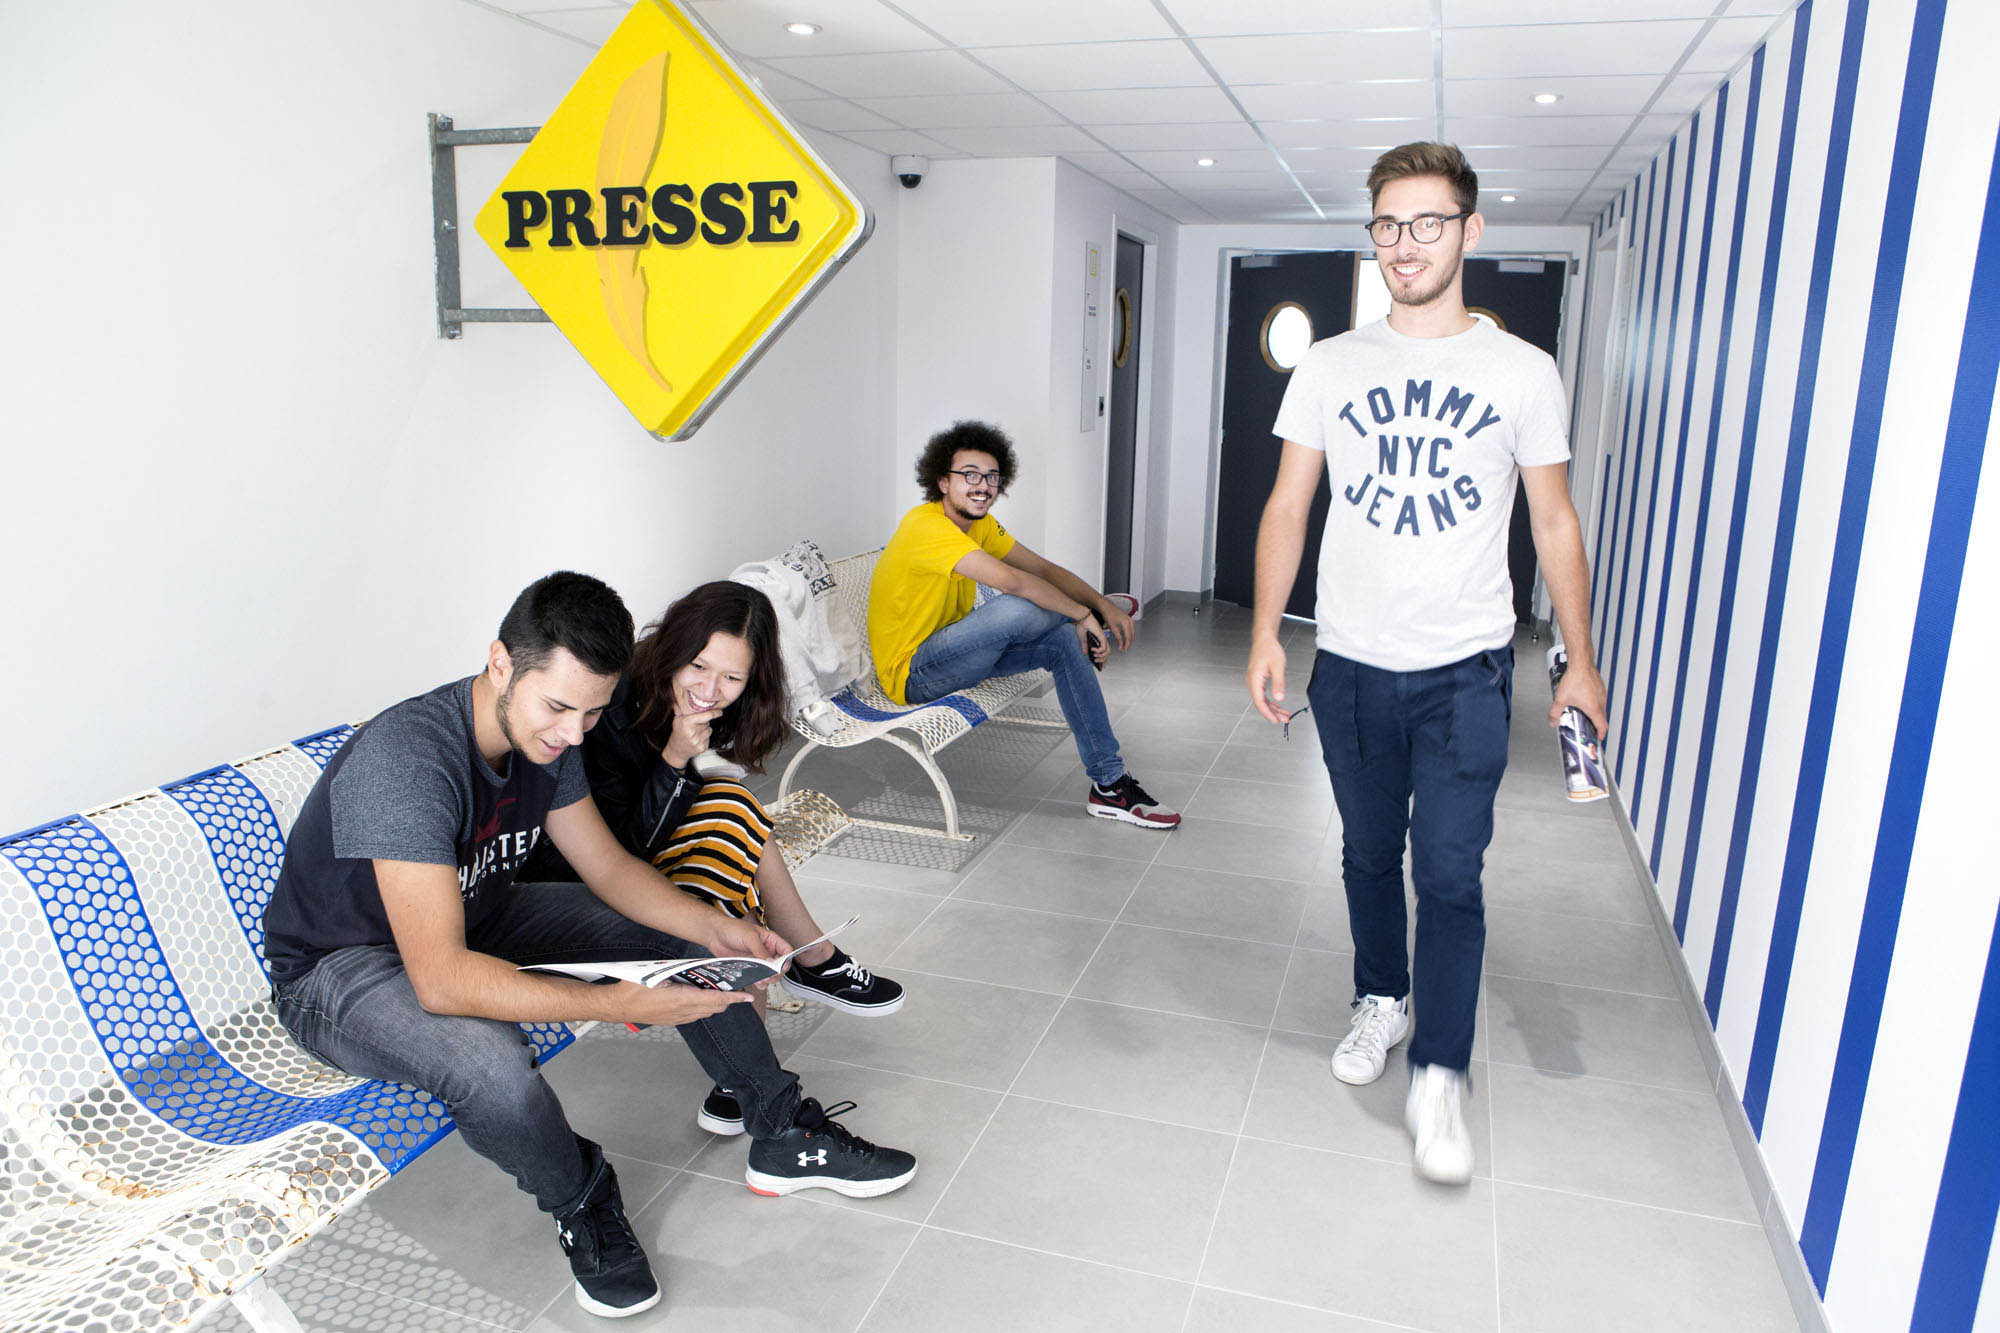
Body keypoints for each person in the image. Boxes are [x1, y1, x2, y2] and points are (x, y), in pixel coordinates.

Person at [262, 572, 916, 1320]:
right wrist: (617, 1001)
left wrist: (717, 929)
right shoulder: (407, 762)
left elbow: (607, 867)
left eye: (593, 712)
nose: (573, 734)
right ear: (501, 663)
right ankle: (584, 1198)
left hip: (477, 910)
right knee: (490, 1066)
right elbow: (442, 980)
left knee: (683, 929)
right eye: (558, 708)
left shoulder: (551, 733)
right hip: (340, 967)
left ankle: (781, 1127)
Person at [1244, 143, 1609, 1185]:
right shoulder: (1331, 363)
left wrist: (1579, 661)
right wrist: (1266, 630)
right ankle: (1381, 998)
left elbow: (1553, 520)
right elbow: (1288, 504)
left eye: (1428, 222)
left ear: (1469, 231)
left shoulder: (1520, 371)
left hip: (1465, 670)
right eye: (1388, 224)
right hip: (1351, 665)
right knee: (1367, 854)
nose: (1405, 244)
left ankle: (1439, 1071)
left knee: (1448, 871)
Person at [521, 580, 904, 1140]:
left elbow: (681, 801)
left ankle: (750, 1061)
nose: (710, 690)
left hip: (638, 850)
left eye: (732, 678)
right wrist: (676, 756)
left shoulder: (690, 701)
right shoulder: (608, 709)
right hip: (579, 882)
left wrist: (681, 762)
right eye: (698, 667)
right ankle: (798, 984)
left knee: (731, 821)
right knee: (730, 850)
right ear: (674, 650)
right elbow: (618, 855)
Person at [868, 420, 1180, 829]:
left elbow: (1042, 569)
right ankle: (1093, 621)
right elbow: (1013, 583)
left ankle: (1110, 786)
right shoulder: (925, 526)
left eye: (991, 477)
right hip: (915, 673)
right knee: (1018, 607)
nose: (982, 486)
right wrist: (1085, 613)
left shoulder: (979, 525)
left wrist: (1100, 603)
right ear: (943, 482)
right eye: (969, 475)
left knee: (1063, 641)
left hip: (960, 654)